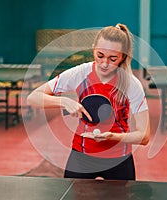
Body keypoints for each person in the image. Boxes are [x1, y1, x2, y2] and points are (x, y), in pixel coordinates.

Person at [27, 23, 150, 180]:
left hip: (119, 158)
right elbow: (33, 97)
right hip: (82, 155)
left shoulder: (131, 84)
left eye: (113, 58)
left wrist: (113, 137)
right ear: (93, 49)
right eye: (100, 55)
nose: (105, 63)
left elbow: (144, 136)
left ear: (123, 57)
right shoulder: (80, 73)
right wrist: (63, 101)